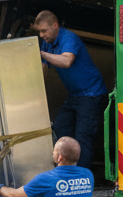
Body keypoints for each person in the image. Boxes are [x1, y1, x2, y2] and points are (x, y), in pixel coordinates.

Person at [34, 11, 108, 171]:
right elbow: (44, 67)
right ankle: (65, 169)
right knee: (60, 128)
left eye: (44, 31)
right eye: (39, 32)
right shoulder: (48, 43)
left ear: (55, 26)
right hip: (75, 95)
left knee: (83, 137)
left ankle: (80, 178)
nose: (41, 35)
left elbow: (67, 61)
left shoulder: (69, 38)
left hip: (92, 94)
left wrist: (39, 53)